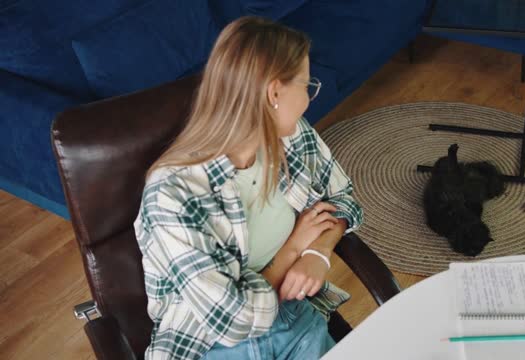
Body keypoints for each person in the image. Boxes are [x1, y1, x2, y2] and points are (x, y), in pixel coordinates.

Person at [134, 16, 363, 360]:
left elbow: (343, 197)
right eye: (306, 85)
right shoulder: (173, 195)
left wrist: (317, 252)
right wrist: (293, 248)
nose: (309, 97)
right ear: (274, 92)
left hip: (293, 317)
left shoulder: (292, 136)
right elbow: (233, 321)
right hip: (207, 342)